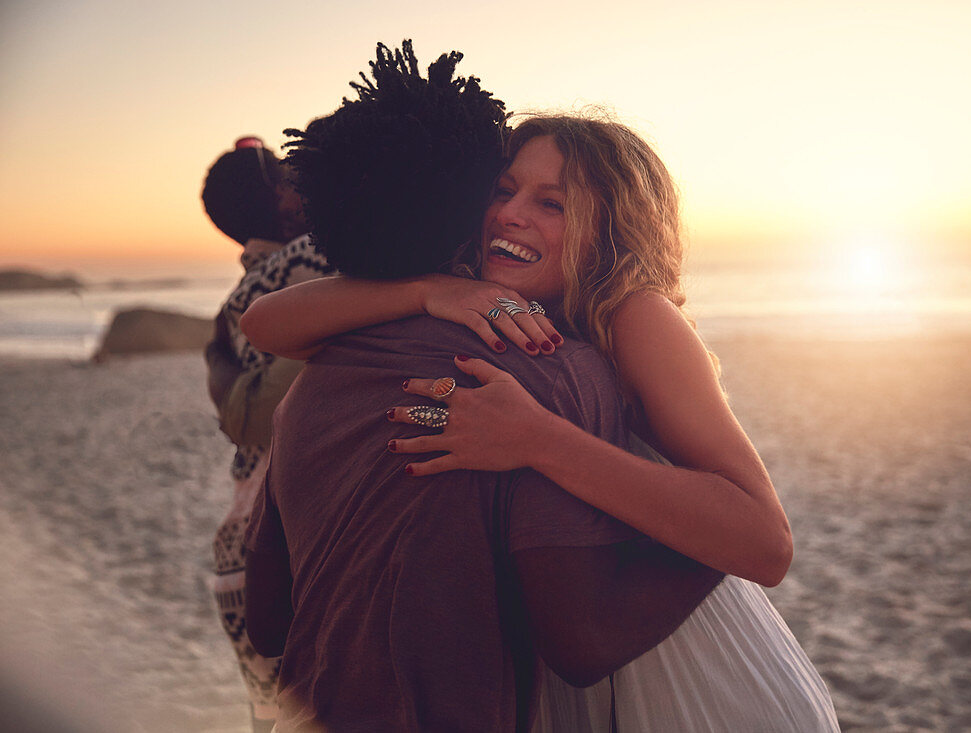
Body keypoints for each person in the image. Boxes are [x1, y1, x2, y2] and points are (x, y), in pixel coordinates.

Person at [243, 114, 841, 731]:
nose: (510, 213)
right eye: (503, 191)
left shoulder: (633, 316)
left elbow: (767, 544)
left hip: (688, 680)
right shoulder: (469, 292)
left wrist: (538, 439)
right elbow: (263, 324)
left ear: (609, 230)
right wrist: (426, 291)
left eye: (552, 203)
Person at [201, 135, 333, 731]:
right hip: (278, 540)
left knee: (271, 719)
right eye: (286, 173)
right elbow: (256, 413)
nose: (299, 179)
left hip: (246, 542)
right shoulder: (312, 260)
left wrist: (218, 363)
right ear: (279, 202)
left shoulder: (242, 294)